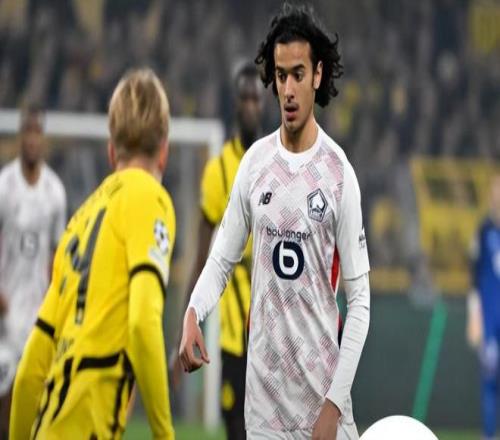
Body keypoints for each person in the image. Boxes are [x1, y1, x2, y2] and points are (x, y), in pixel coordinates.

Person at [179, 4, 370, 440]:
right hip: (264, 410)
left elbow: (360, 302)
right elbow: (221, 260)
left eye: (298, 74)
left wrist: (333, 405)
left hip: (323, 402)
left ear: (317, 75)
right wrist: (193, 311)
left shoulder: (339, 173)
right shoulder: (255, 164)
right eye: (281, 76)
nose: (288, 89)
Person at [10, 68, 176, 439]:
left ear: (111, 150)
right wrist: (165, 434)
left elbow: (30, 372)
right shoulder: (151, 198)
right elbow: (142, 323)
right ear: (164, 151)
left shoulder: (78, 223)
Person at [172, 61, 263, 440]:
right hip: (231, 333)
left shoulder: (275, 162)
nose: (251, 106)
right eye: (245, 99)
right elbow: (201, 257)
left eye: (256, 99)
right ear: (235, 104)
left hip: (271, 324)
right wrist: (188, 319)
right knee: (235, 426)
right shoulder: (217, 171)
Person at [0, 106, 66, 437]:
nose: (32, 139)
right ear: (19, 137)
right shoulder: (4, 186)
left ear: (44, 139)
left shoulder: (55, 192)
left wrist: (53, 301)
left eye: (37, 132)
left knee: (36, 403)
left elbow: (58, 255)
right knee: (3, 405)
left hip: (38, 314)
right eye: (27, 132)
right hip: (4, 313)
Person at [467, 175, 500, 440]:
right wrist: (474, 318)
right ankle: (488, 435)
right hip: (490, 321)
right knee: (489, 378)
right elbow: (474, 280)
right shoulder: (483, 232)